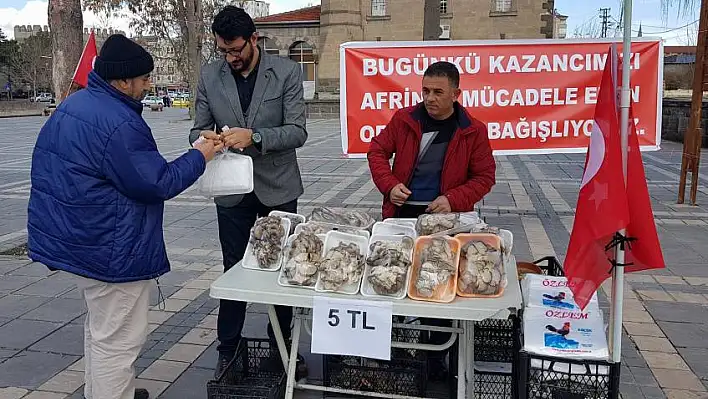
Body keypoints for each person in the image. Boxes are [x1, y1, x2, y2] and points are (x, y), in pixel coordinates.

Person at [26, 34, 223, 399]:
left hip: (80, 238)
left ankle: (104, 392)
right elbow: (156, 182)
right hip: (110, 247)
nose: (149, 86)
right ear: (122, 81)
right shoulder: (118, 122)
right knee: (119, 341)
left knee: (102, 330)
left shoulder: (76, 104)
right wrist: (201, 156)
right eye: (145, 79)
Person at [188, 6, 308, 377]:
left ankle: (283, 348)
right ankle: (229, 349)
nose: (230, 58)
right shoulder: (210, 75)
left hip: (278, 186)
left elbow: (297, 131)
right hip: (231, 191)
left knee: (282, 271)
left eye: (236, 49)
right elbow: (196, 130)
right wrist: (205, 138)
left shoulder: (287, 71)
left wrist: (255, 137)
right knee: (233, 269)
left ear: (255, 39)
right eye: (224, 51)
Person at [367, 61, 496, 379]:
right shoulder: (404, 120)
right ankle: (394, 350)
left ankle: (435, 356)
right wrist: (389, 185)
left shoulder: (473, 130)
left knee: (437, 290)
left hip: (445, 222)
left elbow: (484, 177)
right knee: (392, 282)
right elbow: (377, 152)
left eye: (438, 92)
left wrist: (453, 199)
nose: (430, 98)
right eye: (425, 90)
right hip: (402, 216)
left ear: (456, 94)